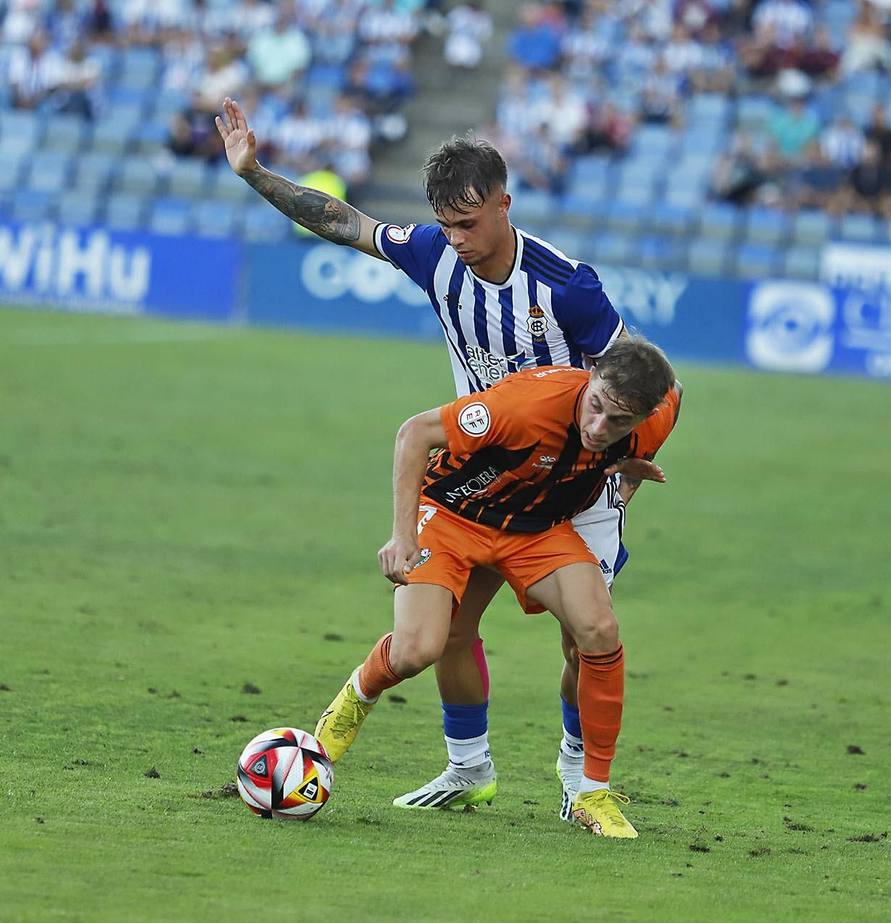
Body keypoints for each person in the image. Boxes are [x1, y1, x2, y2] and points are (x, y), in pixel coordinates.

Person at [215, 98, 648, 821]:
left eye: (469, 223)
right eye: (445, 223)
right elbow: (342, 221)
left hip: (572, 484)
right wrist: (254, 171)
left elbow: (632, 379)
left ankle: (579, 785)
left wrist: (623, 478)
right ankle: (468, 768)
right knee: (444, 631)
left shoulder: (568, 287)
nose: (457, 239)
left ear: (505, 203)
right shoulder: (436, 254)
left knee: (588, 637)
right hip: (478, 475)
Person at [312, 337, 681, 838]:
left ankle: (591, 791)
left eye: (619, 422)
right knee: (421, 647)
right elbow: (413, 433)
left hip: (536, 527)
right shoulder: (523, 406)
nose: (600, 428)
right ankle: (359, 697)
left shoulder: (654, 411)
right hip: (451, 515)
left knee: (598, 629)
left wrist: (631, 464)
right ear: (590, 372)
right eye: (596, 406)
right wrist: (402, 535)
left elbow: (673, 392)